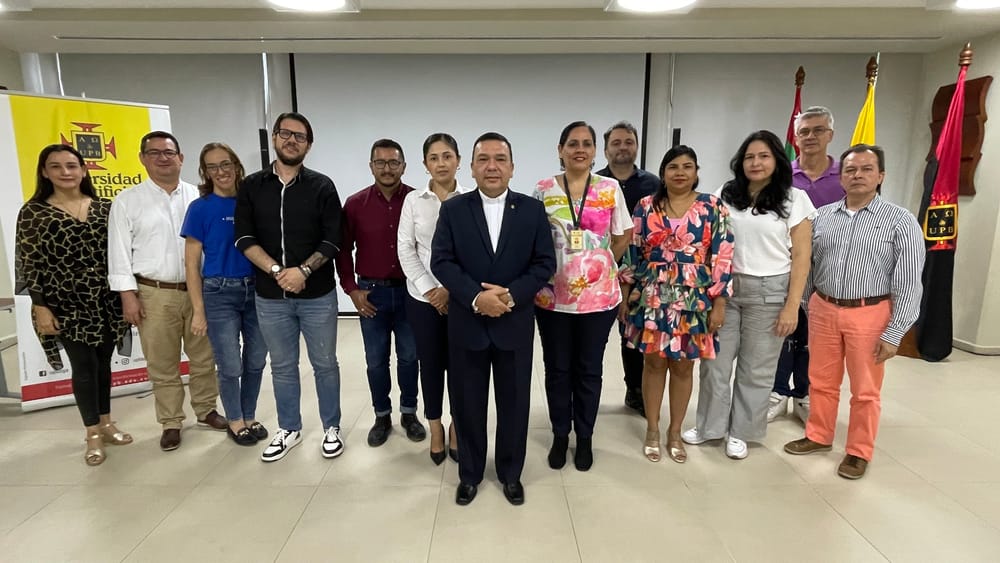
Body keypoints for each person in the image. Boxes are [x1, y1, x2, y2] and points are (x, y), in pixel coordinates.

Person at [784, 144, 924, 480]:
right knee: (821, 381)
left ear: (881, 176)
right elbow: (807, 264)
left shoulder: (900, 221)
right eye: (850, 170)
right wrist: (807, 304)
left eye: (866, 169)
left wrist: (895, 332)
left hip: (870, 312)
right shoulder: (822, 217)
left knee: (864, 390)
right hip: (824, 309)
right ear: (841, 176)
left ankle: (858, 451)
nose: (857, 175)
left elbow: (908, 281)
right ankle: (818, 435)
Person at [431, 132, 555, 506]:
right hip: (467, 324)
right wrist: (476, 298)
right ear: (471, 167)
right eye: (483, 159)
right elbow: (442, 261)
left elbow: (544, 263)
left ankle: (510, 473)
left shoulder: (532, 211)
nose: (491, 166)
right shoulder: (453, 209)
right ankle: (469, 473)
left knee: (515, 404)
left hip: (514, 324)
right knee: (467, 403)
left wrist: (511, 296)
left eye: (500, 159)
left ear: (512, 168)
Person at [682, 130, 815, 460]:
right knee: (714, 364)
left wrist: (792, 307)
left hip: (770, 291)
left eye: (764, 156)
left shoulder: (794, 198)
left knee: (756, 369)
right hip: (724, 290)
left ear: (777, 161)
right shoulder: (725, 194)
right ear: (740, 162)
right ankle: (710, 426)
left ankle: (741, 432)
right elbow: (708, 242)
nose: (756, 163)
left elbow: (801, 257)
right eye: (749, 157)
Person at [234, 112, 345, 463]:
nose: (291, 140)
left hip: (318, 295)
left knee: (325, 363)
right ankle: (290, 428)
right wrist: (279, 270)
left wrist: (304, 271)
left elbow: (333, 239)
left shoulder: (322, 186)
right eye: (285, 133)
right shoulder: (252, 186)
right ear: (276, 139)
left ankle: (332, 427)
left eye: (299, 136)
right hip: (271, 296)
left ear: (308, 145)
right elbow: (244, 237)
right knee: (282, 366)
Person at [16, 144, 132, 465]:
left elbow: (121, 254)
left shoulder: (105, 207)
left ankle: (107, 422)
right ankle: (92, 432)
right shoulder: (33, 212)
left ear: (83, 169)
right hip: (64, 302)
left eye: (71, 165)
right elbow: (29, 263)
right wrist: (40, 306)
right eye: (56, 167)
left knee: (103, 363)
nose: (65, 172)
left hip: (105, 299)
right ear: (44, 172)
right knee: (83, 368)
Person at [108, 131, 224, 452]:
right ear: (143, 158)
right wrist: (127, 295)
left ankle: (206, 410)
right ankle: (171, 421)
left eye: (169, 152)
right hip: (154, 293)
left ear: (181, 158)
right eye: (154, 152)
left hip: (200, 291)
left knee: (204, 357)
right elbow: (118, 252)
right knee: (162, 362)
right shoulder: (127, 201)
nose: (163, 158)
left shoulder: (199, 197)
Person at [620, 145, 733, 463]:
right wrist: (627, 292)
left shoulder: (713, 207)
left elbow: (723, 255)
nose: (680, 172)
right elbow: (633, 251)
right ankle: (653, 429)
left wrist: (719, 302)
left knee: (684, 367)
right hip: (652, 296)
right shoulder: (645, 206)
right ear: (663, 172)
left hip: (694, 300)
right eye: (673, 166)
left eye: (687, 166)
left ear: (697, 172)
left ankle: (675, 431)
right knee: (654, 363)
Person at [533, 121, 632, 472]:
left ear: (595, 151)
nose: (579, 149)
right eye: (572, 143)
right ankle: (561, 434)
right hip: (552, 298)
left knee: (588, 370)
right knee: (557, 369)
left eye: (587, 143)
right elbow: (532, 241)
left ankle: (585, 436)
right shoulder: (543, 189)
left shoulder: (609, 188)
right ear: (560, 150)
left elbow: (623, 234)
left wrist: (602, 262)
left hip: (598, 299)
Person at [337, 139, 425, 448]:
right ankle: (382, 415)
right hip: (371, 294)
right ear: (371, 166)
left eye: (393, 163)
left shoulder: (417, 200)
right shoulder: (355, 204)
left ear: (404, 166)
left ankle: (409, 413)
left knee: (409, 357)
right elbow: (343, 250)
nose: (387, 169)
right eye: (380, 163)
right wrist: (351, 289)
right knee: (375, 360)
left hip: (410, 292)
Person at [181, 143, 268, 446]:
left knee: (255, 360)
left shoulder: (251, 202)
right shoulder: (200, 208)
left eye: (226, 164)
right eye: (212, 167)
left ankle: (249, 413)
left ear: (236, 165)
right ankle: (235, 419)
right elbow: (191, 264)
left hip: (256, 290)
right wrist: (198, 310)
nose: (221, 172)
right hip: (219, 292)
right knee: (230, 364)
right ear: (205, 172)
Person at [769, 106, 845, 424]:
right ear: (795, 137)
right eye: (804, 131)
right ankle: (777, 392)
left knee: (815, 336)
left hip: (830, 267)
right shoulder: (782, 175)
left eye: (818, 130)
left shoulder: (845, 174)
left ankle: (804, 393)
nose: (810, 137)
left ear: (830, 135)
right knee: (783, 330)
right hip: (787, 265)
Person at [397, 132, 469, 465]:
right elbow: (405, 249)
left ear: (458, 160)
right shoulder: (414, 200)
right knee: (430, 365)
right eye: (434, 157)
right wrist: (430, 289)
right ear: (425, 163)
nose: (441, 163)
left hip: (460, 299)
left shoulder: (471, 199)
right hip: (422, 299)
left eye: (447, 156)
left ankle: (456, 426)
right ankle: (435, 426)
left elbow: (475, 253)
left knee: (460, 365)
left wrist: (451, 289)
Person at [596, 121, 660, 416]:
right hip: (598, 273)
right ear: (606, 149)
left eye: (628, 142)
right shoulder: (593, 183)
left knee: (633, 335)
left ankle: (635, 390)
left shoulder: (654, 185)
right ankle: (586, 393)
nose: (623, 147)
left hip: (642, 275)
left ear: (636, 146)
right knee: (594, 338)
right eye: (616, 142)